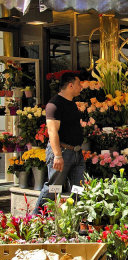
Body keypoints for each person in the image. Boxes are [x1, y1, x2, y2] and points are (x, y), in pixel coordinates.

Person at [33, 72, 84, 215]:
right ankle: (36, 218)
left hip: (76, 154)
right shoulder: (54, 105)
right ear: (70, 85)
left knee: (79, 188)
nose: (81, 87)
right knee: (54, 188)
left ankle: (77, 220)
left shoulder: (71, 104)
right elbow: (52, 132)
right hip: (62, 153)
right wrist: (57, 156)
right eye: (79, 84)